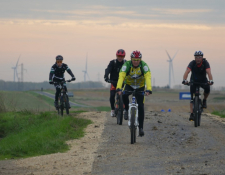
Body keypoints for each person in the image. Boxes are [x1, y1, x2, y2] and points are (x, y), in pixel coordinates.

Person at [116, 50, 152, 136]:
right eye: (134, 59)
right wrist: (118, 88)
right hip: (129, 84)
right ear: (131, 59)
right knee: (124, 95)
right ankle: (126, 109)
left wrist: (149, 89)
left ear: (140, 59)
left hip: (140, 86)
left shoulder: (144, 66)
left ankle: (141, 128)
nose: (136, 61)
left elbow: (148, 77)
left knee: (141, 106)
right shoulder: (127, 65)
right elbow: (121, 76)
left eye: (138, 59)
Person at [182, 51, 213, 121]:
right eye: (196, 57)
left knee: (207, 89)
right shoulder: (192, 63)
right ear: (194, 58)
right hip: (194, 81)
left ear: (202, 58)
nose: (198, 59)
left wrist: (210, 80)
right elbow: (187, 71)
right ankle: (192, 114)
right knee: (192, 98)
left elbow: (208, 72)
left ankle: (204, 100)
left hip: (203, 81)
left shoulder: (205, 63)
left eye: (199, 57)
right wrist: (184, 79)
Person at [104, 49, 127, 117]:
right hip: (114, 82)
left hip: (123, 82)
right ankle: (113, 109)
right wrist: (106, 77)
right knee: (112, 96)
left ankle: (126, 109)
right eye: (119, 56)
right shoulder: (112, 62)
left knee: (125, 96)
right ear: (116, 56)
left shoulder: (126, 63)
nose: (120, 57)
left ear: (124, 56)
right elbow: (108, 69)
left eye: (122, 56)